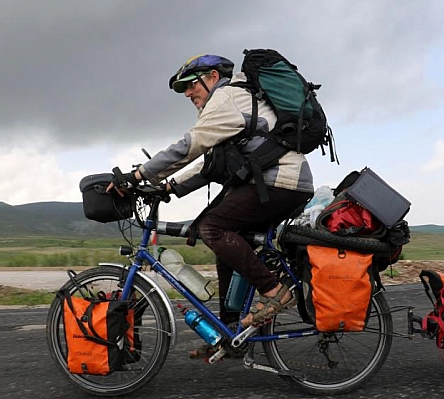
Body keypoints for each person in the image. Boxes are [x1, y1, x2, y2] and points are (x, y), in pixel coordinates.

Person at [110, 54, 314, 347]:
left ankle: (274, 291)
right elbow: (211, 165)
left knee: (211, 228)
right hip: (282, 184)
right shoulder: (234, 103)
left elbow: (189, 146)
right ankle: (230, 330)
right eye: (184, 90)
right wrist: (168, 185)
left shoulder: (226, 98)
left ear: (213, 78)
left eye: (190, 85)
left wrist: (138, 175)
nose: (188, 93)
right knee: (227, 243)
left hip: (282, 183)